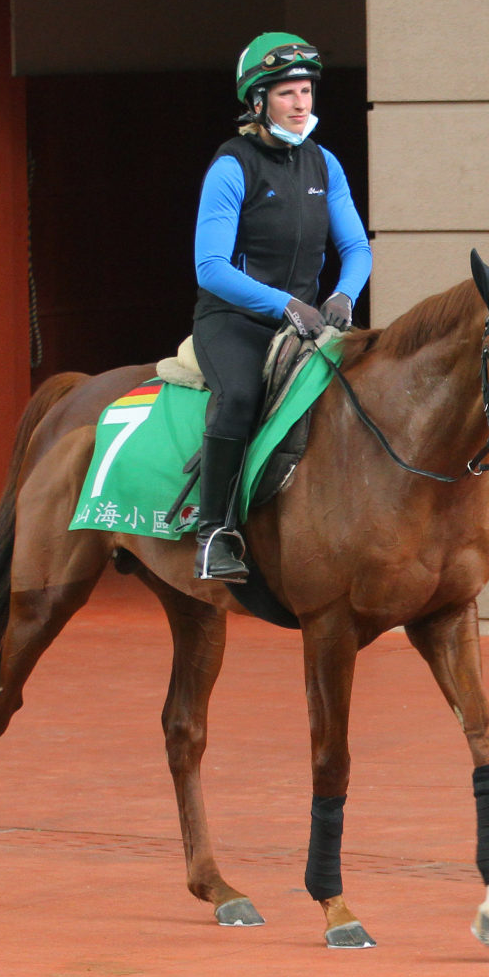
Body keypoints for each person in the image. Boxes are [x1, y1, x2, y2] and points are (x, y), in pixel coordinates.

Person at [191, 33, 373, 582]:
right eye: (288, 93)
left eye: (307, 91)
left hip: (309, 320)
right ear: (257, 101)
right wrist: (288, 303)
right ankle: (211, 533)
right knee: (241, 395)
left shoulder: (325, 164)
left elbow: (356, 248)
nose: (302, 104)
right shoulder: (232, 165)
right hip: (234, 320)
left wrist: (344, 293)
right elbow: (211, 268)